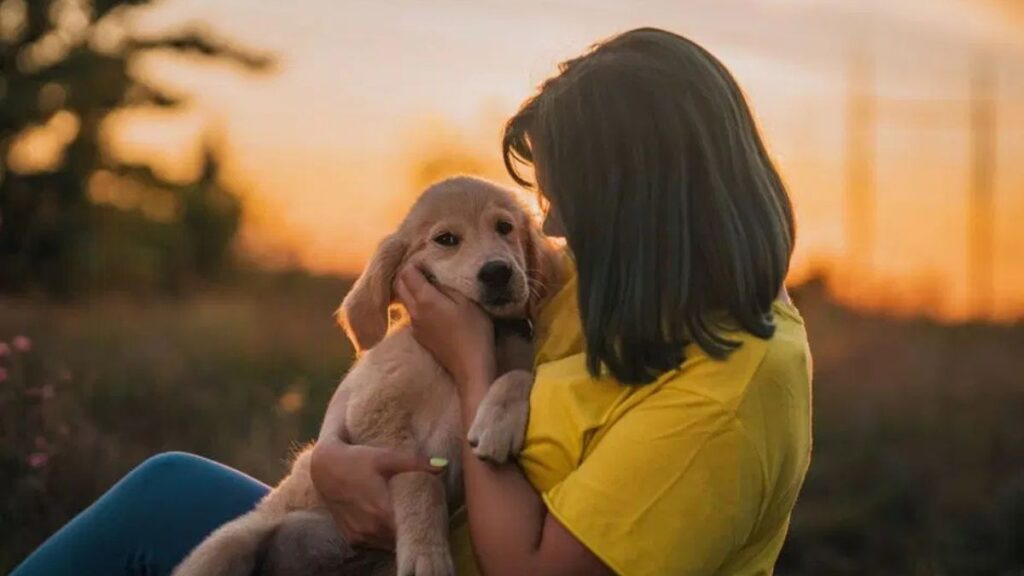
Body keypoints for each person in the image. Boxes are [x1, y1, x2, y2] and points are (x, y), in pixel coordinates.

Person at [13, 27, 811, 576]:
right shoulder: (613, 284)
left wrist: (472, 371)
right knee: (170, 487)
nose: (550, 229)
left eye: (568, 203)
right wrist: (330, 458)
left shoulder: (726, 397)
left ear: (643, 199)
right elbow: (386, 366)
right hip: (374, 534)